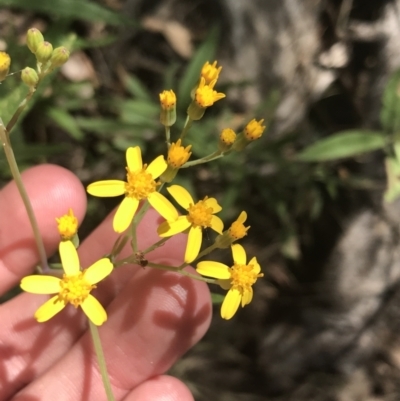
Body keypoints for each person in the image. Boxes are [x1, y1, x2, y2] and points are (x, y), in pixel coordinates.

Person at [0, 164, 211, 400]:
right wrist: (68, 240)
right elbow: (98, 268)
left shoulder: (92, 273)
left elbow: (104, 270)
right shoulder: (83, 273)